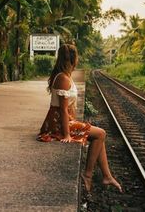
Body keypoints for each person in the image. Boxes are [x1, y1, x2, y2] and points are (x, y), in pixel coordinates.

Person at [37, 44, 122, 193]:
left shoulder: (64, 75)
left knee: (99, 137)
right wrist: (67, 134)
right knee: (101, 134)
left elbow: (67, 109)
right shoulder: (63, 78)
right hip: (59, 124)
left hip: (62, 121)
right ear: (73, 58)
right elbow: (63, 110)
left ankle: (107, 176)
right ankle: (88, 175)